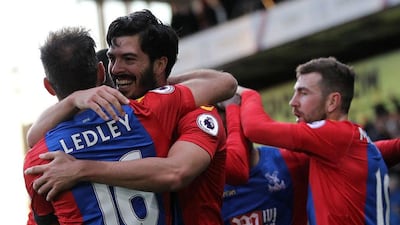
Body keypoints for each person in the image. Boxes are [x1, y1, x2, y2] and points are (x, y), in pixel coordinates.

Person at [25, 10, 234, 225]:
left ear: (159, 64)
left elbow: (177, 172)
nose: (115, 69)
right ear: (100, 72)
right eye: (111, 59)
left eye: (128, 59)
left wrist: (81, 169)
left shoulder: (192, 112)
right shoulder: (143, 111)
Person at [235, 57, 390, 225]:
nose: (292, 102)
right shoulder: (351, 141)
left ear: (332, 102)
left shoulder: (333, 135)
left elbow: (256, 129)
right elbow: (383, 150)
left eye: (303, 93)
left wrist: (248, 94)